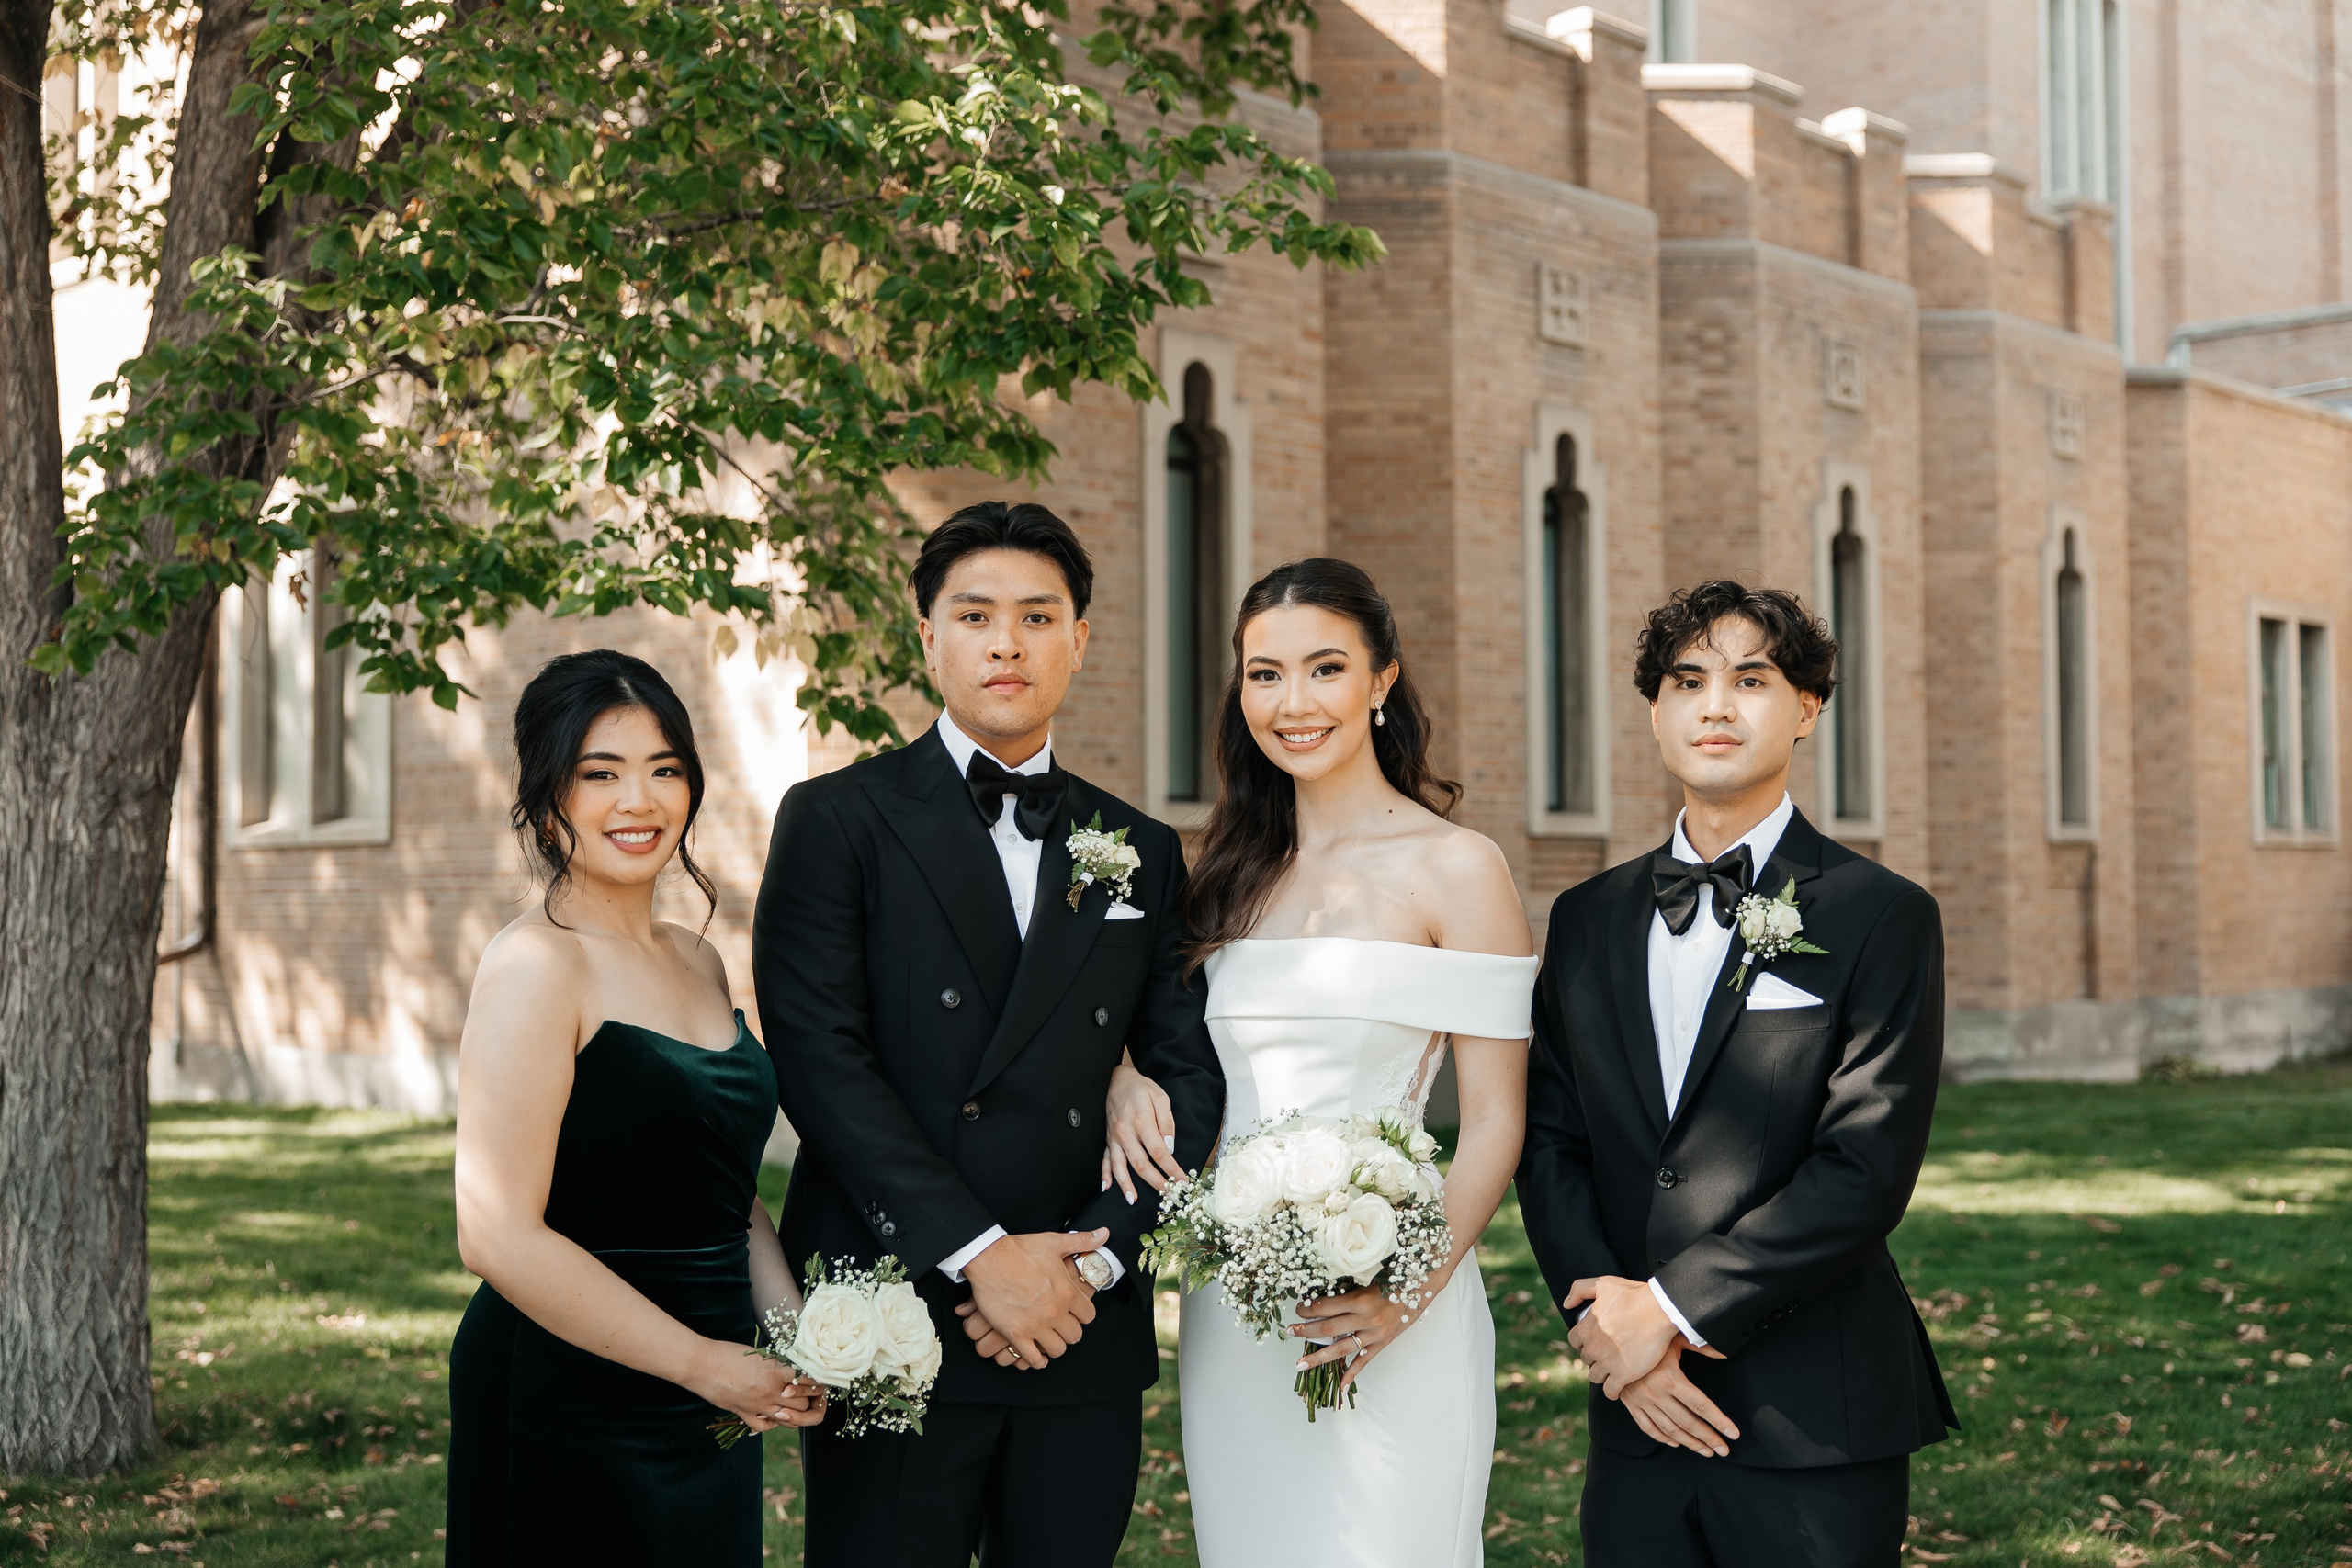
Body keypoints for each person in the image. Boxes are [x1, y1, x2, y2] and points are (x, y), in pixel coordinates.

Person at [753, 501, 1227, 1568]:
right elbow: (822, 1064)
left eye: (1036, 616)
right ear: (928, 635)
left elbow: (1189, 1071)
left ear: (1079, 639)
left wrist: (1088, 1271)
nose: (1005, 643)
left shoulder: (1137, 847)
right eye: (974, 615)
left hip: (1078, 1324)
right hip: (899, 1309)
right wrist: (979, 1258)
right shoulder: (836, 822)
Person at [1103, 558, 1537, 1567]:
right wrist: (1124, 1075)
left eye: (1324, 669)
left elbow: (1494, 1123)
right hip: (1233, 1301)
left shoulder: (1456, 867)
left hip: (1394, 1283)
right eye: (1263, 674)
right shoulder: (1224, 875)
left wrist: (1400, 1294)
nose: (1291, 703)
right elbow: (1167, 1047)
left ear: (1383, 680)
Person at [1516, 581, 1959, 1568]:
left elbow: (1865, 1168)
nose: (1715, 705)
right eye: (1687, 681)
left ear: (1805, 708)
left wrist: (1664, 1314)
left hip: (1810, 1416)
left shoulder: (1880, 914)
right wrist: (1609, 1332)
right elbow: (1552, 1142)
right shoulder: (1586, 919)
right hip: (1636, 1411)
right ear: (1655, 709)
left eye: (1750, 679)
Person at [446, 649, 825, 1567]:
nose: (639, 801)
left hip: (709, 1391)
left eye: (664, 770)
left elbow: (724, 1196)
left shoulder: (696, 960)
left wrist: (798, 1340)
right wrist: (700, 1361)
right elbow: (495, 1235)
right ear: (546, 802)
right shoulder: (536, 965)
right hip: (567, 1388)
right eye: (599, 774)